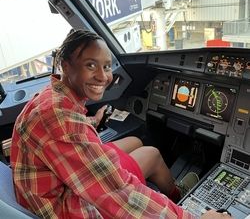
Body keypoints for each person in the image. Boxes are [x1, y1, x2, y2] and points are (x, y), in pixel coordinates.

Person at [10, 29, 232, 219]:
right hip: (65, 206)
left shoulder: (52, 96)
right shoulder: (60, 119)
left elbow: (63, 132)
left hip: (50, 185)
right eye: (91, 65)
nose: (103, 76)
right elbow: (119, 194)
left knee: (135, 140)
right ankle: (177, 194)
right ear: (66, 66)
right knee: (152, 153)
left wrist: (90, 122)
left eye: (106, 67)